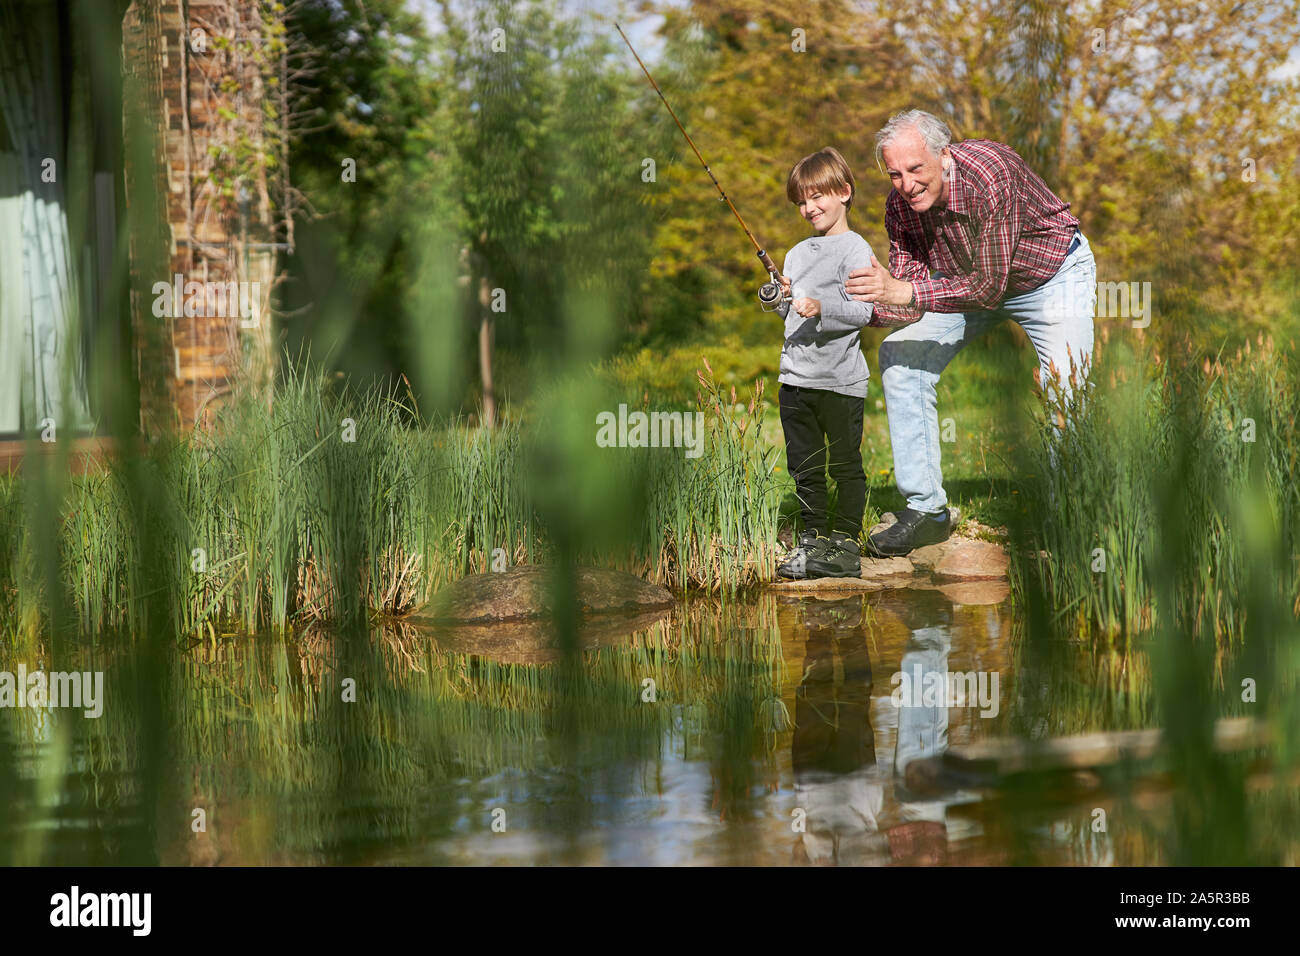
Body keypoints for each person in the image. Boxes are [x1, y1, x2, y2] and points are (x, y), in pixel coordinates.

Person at [845, 110, 1098, 557]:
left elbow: (986, 287)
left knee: (1066, 385)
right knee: (900, 356)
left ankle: (1067, 516)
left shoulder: (991, 174)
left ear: (943, 156)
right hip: (966, 284)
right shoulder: (899, 205)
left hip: (1052, 275)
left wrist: (902, 292)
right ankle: (927, 512)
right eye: (895, 174)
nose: (906, 184)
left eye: (916, 169)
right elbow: (904, 296)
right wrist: (837, 306)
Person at [773, 147, 876, 580]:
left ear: (845, 193)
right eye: (801, 200)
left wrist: (822, 307)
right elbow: (790, 314)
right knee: (806, 467)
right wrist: (780, 299)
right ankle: (812, 540)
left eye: (817, 197)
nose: (808, 207)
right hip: (795, 380)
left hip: (839, 382)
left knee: (845, 466)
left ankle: (846, 544)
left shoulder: (855, 249)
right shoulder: (796, 254)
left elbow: (865, 312)